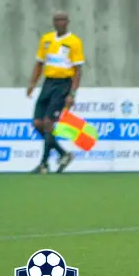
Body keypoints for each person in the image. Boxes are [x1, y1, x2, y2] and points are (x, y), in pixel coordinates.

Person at [26, 11, 85, 174]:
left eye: (62, 20)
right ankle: (63, 153)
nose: (59, 22)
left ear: (67, 22)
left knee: (48, 123)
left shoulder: (74, 42)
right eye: (56, 20)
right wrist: (32, 83)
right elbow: (39, 63)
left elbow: (78, 70)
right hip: (48, 83)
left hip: (63, 84)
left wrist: (72, 94)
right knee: (37, 123)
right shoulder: (46, 39)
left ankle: (44, 164)